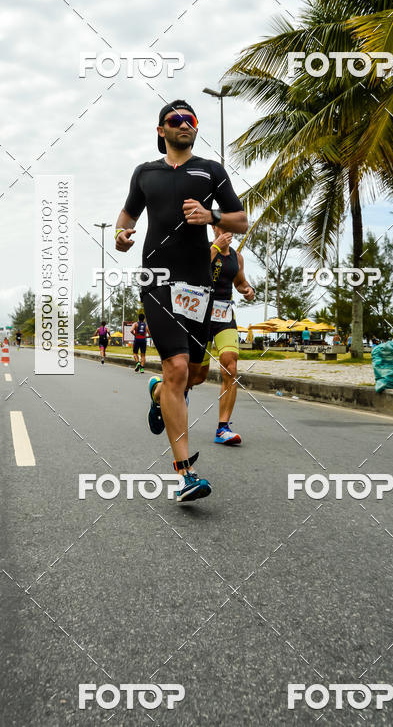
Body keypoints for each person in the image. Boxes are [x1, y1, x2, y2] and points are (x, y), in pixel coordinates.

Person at [115, 100, 248, 503]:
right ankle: (186, 473)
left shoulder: (210, 171)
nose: (185, 124)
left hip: (197, 287)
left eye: (191, 120)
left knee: (192, 376)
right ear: (161, 130)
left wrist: (211, 218)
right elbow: (126, 220)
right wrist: (120, 236)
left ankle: (157, 393)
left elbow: (240, 220)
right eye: (177, 120)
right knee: (175, 367)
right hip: (156, 281)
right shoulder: (145, 173)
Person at [193, 225, 255, 445]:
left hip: (224, 316)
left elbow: (239, 282)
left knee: (231, 367)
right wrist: (214, 248)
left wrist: (248, 290)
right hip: (200, 316)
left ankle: (223, 428)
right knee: (197, 376)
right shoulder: (204, 249)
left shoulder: (237, 258)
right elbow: (194, 271)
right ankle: (165, 391)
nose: (226, 229)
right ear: (214, 227)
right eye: (221, 225)